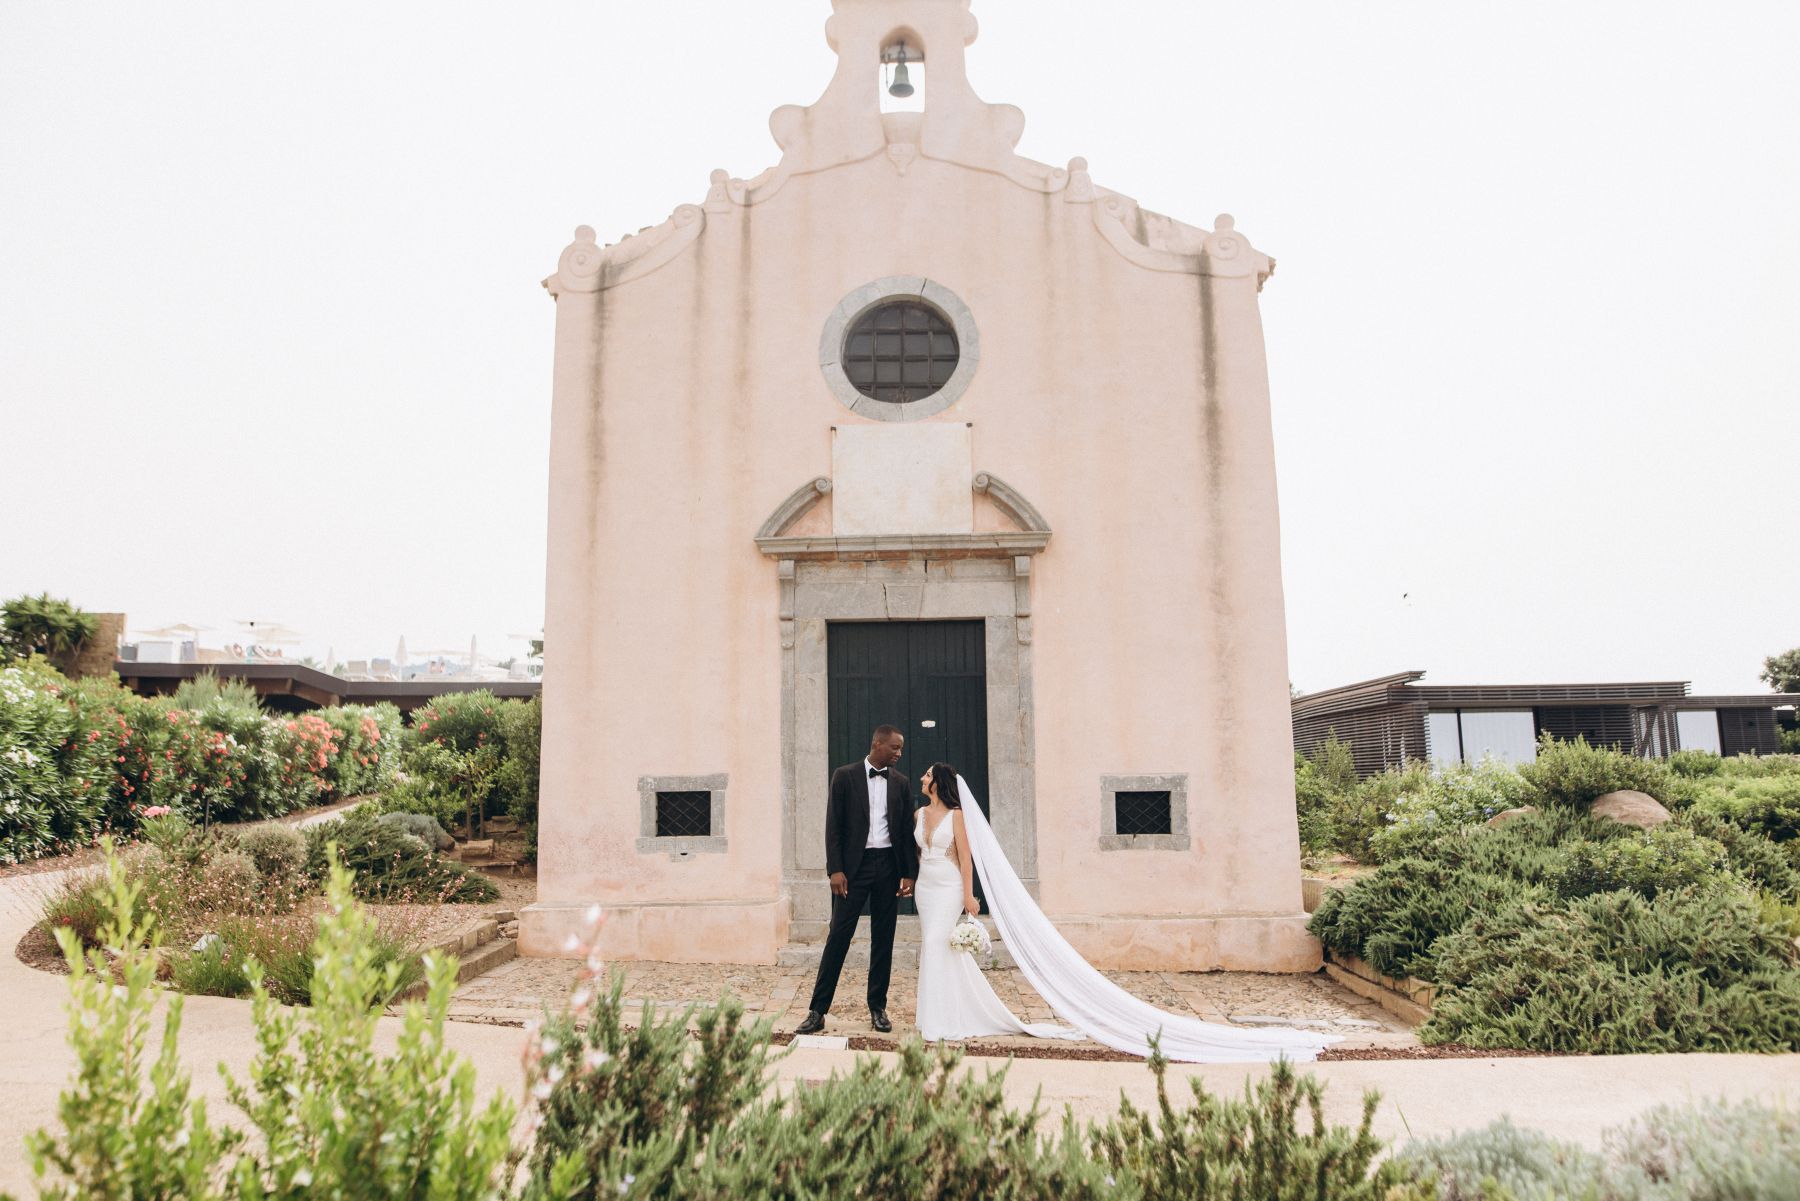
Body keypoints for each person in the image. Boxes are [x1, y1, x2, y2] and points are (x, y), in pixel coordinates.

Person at [912, 761, 1340, 1063]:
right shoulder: (919, 813)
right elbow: (920, 851)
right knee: (940, 951)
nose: (922, 776)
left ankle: (938, 1022)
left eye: (928, 773)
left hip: (949, 886)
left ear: (939, 782)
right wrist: (911, 881)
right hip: (926, 887)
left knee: (935, 946)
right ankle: (949, 1014)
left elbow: (965, 859)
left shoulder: (960, 816)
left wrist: (970, 897)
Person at [794, 725, 918, 1035]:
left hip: (888, 866)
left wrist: (908, 873)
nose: (899, 753)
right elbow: (833, 826)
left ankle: (877, 1008)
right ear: (877, 743)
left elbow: (904, 831)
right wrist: (835, 869)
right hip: (853, 869)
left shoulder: (900, 783)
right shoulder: (844, 776)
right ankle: (817, 1011)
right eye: (895, 747)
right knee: (838, 936)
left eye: (900, 748)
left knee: (883, 939)